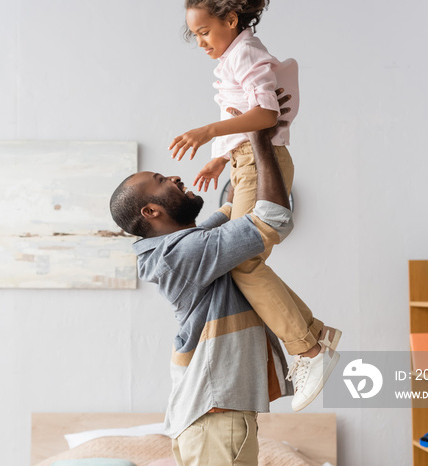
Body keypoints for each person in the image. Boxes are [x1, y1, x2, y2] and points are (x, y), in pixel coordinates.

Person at [110, 94, 335, 465]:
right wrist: (259, 136)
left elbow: (233, 210)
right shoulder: (180, 255)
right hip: (214, 416)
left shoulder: (184, 245)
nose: (176, 176)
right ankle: (309, 346)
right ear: (151, 211)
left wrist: (240, 148)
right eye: (162, 180)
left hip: (210, 416)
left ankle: (312, 341)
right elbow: (271, 219)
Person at [167, 0, 341, 412]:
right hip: (246, 161)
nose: (201, 42)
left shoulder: (244, 52)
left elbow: (264, 114)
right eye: (195, 35)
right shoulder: (235, 55)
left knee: (242, 261)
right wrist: (221, 156)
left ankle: (310, 350)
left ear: (231, 20)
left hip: (258, 164)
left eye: (205, 31)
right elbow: (246, 115)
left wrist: (208, 131)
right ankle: (317, 337)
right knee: (240, 256)